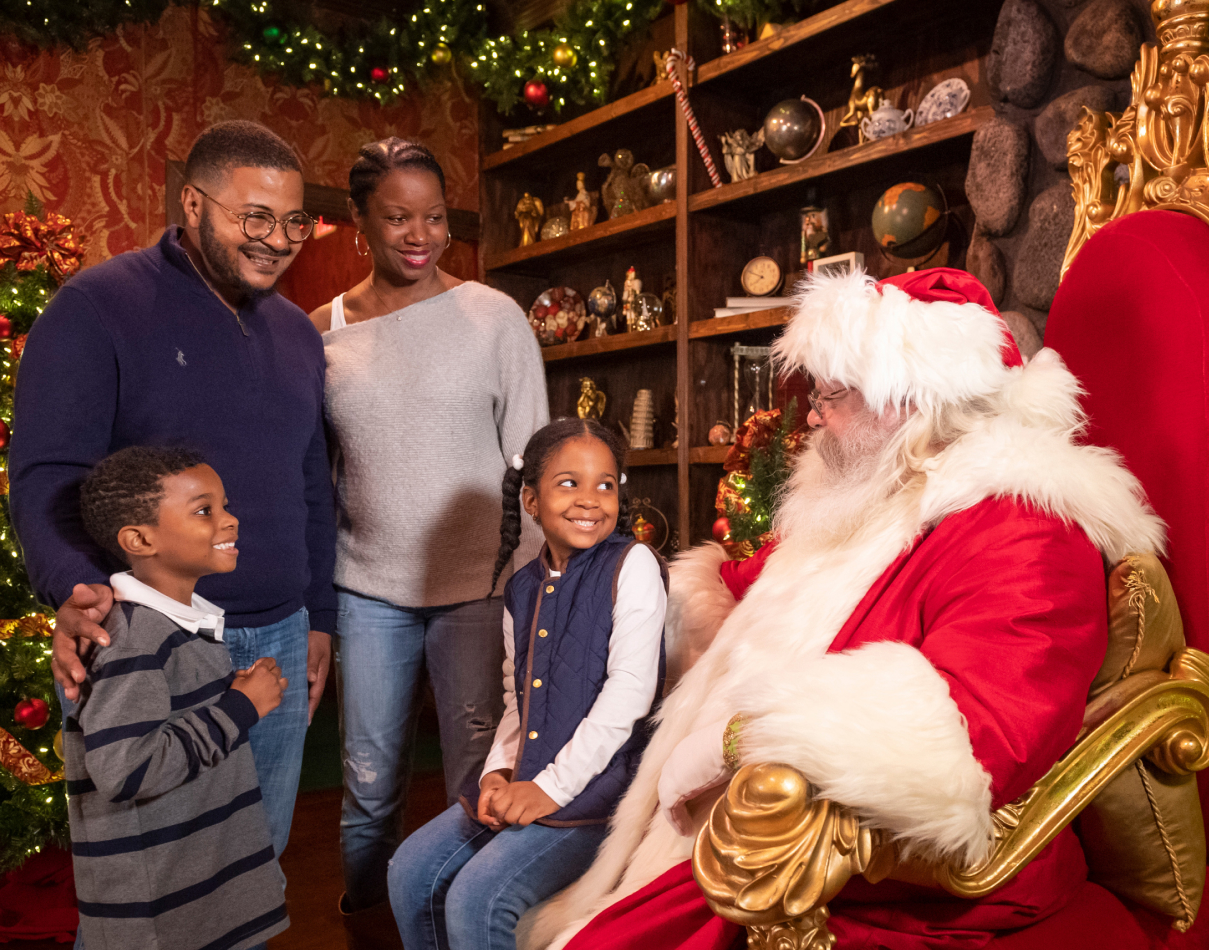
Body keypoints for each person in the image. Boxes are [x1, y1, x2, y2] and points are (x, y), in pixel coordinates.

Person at [520, 268, 1166, 950]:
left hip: (890, 887)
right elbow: (773, 586)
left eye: (830, 395)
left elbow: (972, 742)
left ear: (908, 399)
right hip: (773, 844)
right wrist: (636, 598)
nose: (813, 416)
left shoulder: (1027, 527)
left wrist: (742, 738)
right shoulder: (889, 491)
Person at [10, 120, 335, 860]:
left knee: (255, 871)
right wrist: (79, 590)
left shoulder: (298, 334)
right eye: (254, 217)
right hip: (151, 640)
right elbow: (47, 474)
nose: (277, 241)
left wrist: (319, 616)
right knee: (153, 882)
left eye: (294, 223)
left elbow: (311, 483)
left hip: (280, 640)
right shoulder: (96, 307)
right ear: (192, 204)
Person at [310, 137, 550, 915]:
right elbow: (313, 478)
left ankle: (457, 916)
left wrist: (533, 584)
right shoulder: (321, 331)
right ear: (359, 221)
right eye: (397, 218)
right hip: (365, 589)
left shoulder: (494, 318)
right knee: (369, 784)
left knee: (475, 780)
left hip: (479, 586)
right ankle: (366, 916)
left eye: (436, 217)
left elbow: (534, 459)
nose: (420, 235)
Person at [388, 419, 665, 950]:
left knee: (478, 900)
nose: (590, 499)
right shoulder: (522, 588)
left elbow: (629, 694)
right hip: (529, 778)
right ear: (532, 501)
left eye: (605, 484)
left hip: (600, 793)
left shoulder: (633, 565)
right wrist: (498, 771)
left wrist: (547, 789)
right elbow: (518, 700)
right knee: (410, 872)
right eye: (569, 483)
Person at [63, 446, 290, 950]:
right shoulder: (135, 641)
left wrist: (230, 698)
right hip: (161, 921)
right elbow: (125, 770)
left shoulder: (175, 626)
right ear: (140, 540)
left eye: (225, 505)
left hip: (200, 897)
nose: (229, 519)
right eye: (204, 510)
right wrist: (240, 708)